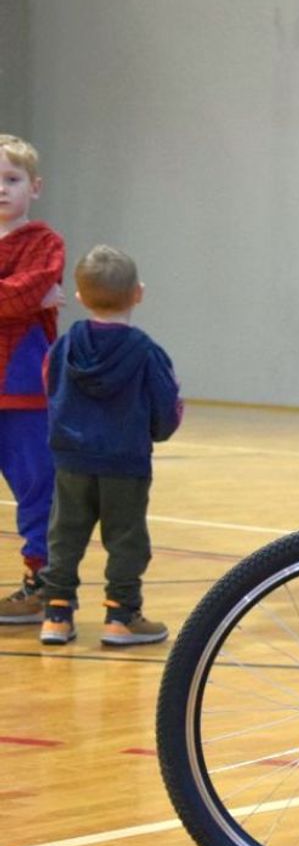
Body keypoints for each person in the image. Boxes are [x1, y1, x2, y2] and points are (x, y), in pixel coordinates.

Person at [37, 246, 181, 646]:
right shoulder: (147, 352)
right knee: (126, 539)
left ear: (79, 296)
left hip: (72, 461)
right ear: (138, 293)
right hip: (125, 462)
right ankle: (121, 616)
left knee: (64, 536)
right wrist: (160, 430)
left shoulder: (64, 346)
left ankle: (56, 615)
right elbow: (165, 406)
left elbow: (50, 387)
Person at [0, 134, 63, 627]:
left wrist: (25, 299)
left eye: (12, 179)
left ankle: (41, 583)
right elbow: (17, 299)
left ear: (34, 187)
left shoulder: (45, 244)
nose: (2, 189)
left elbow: (23, 294)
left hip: (23, 393)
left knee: (37, 487)